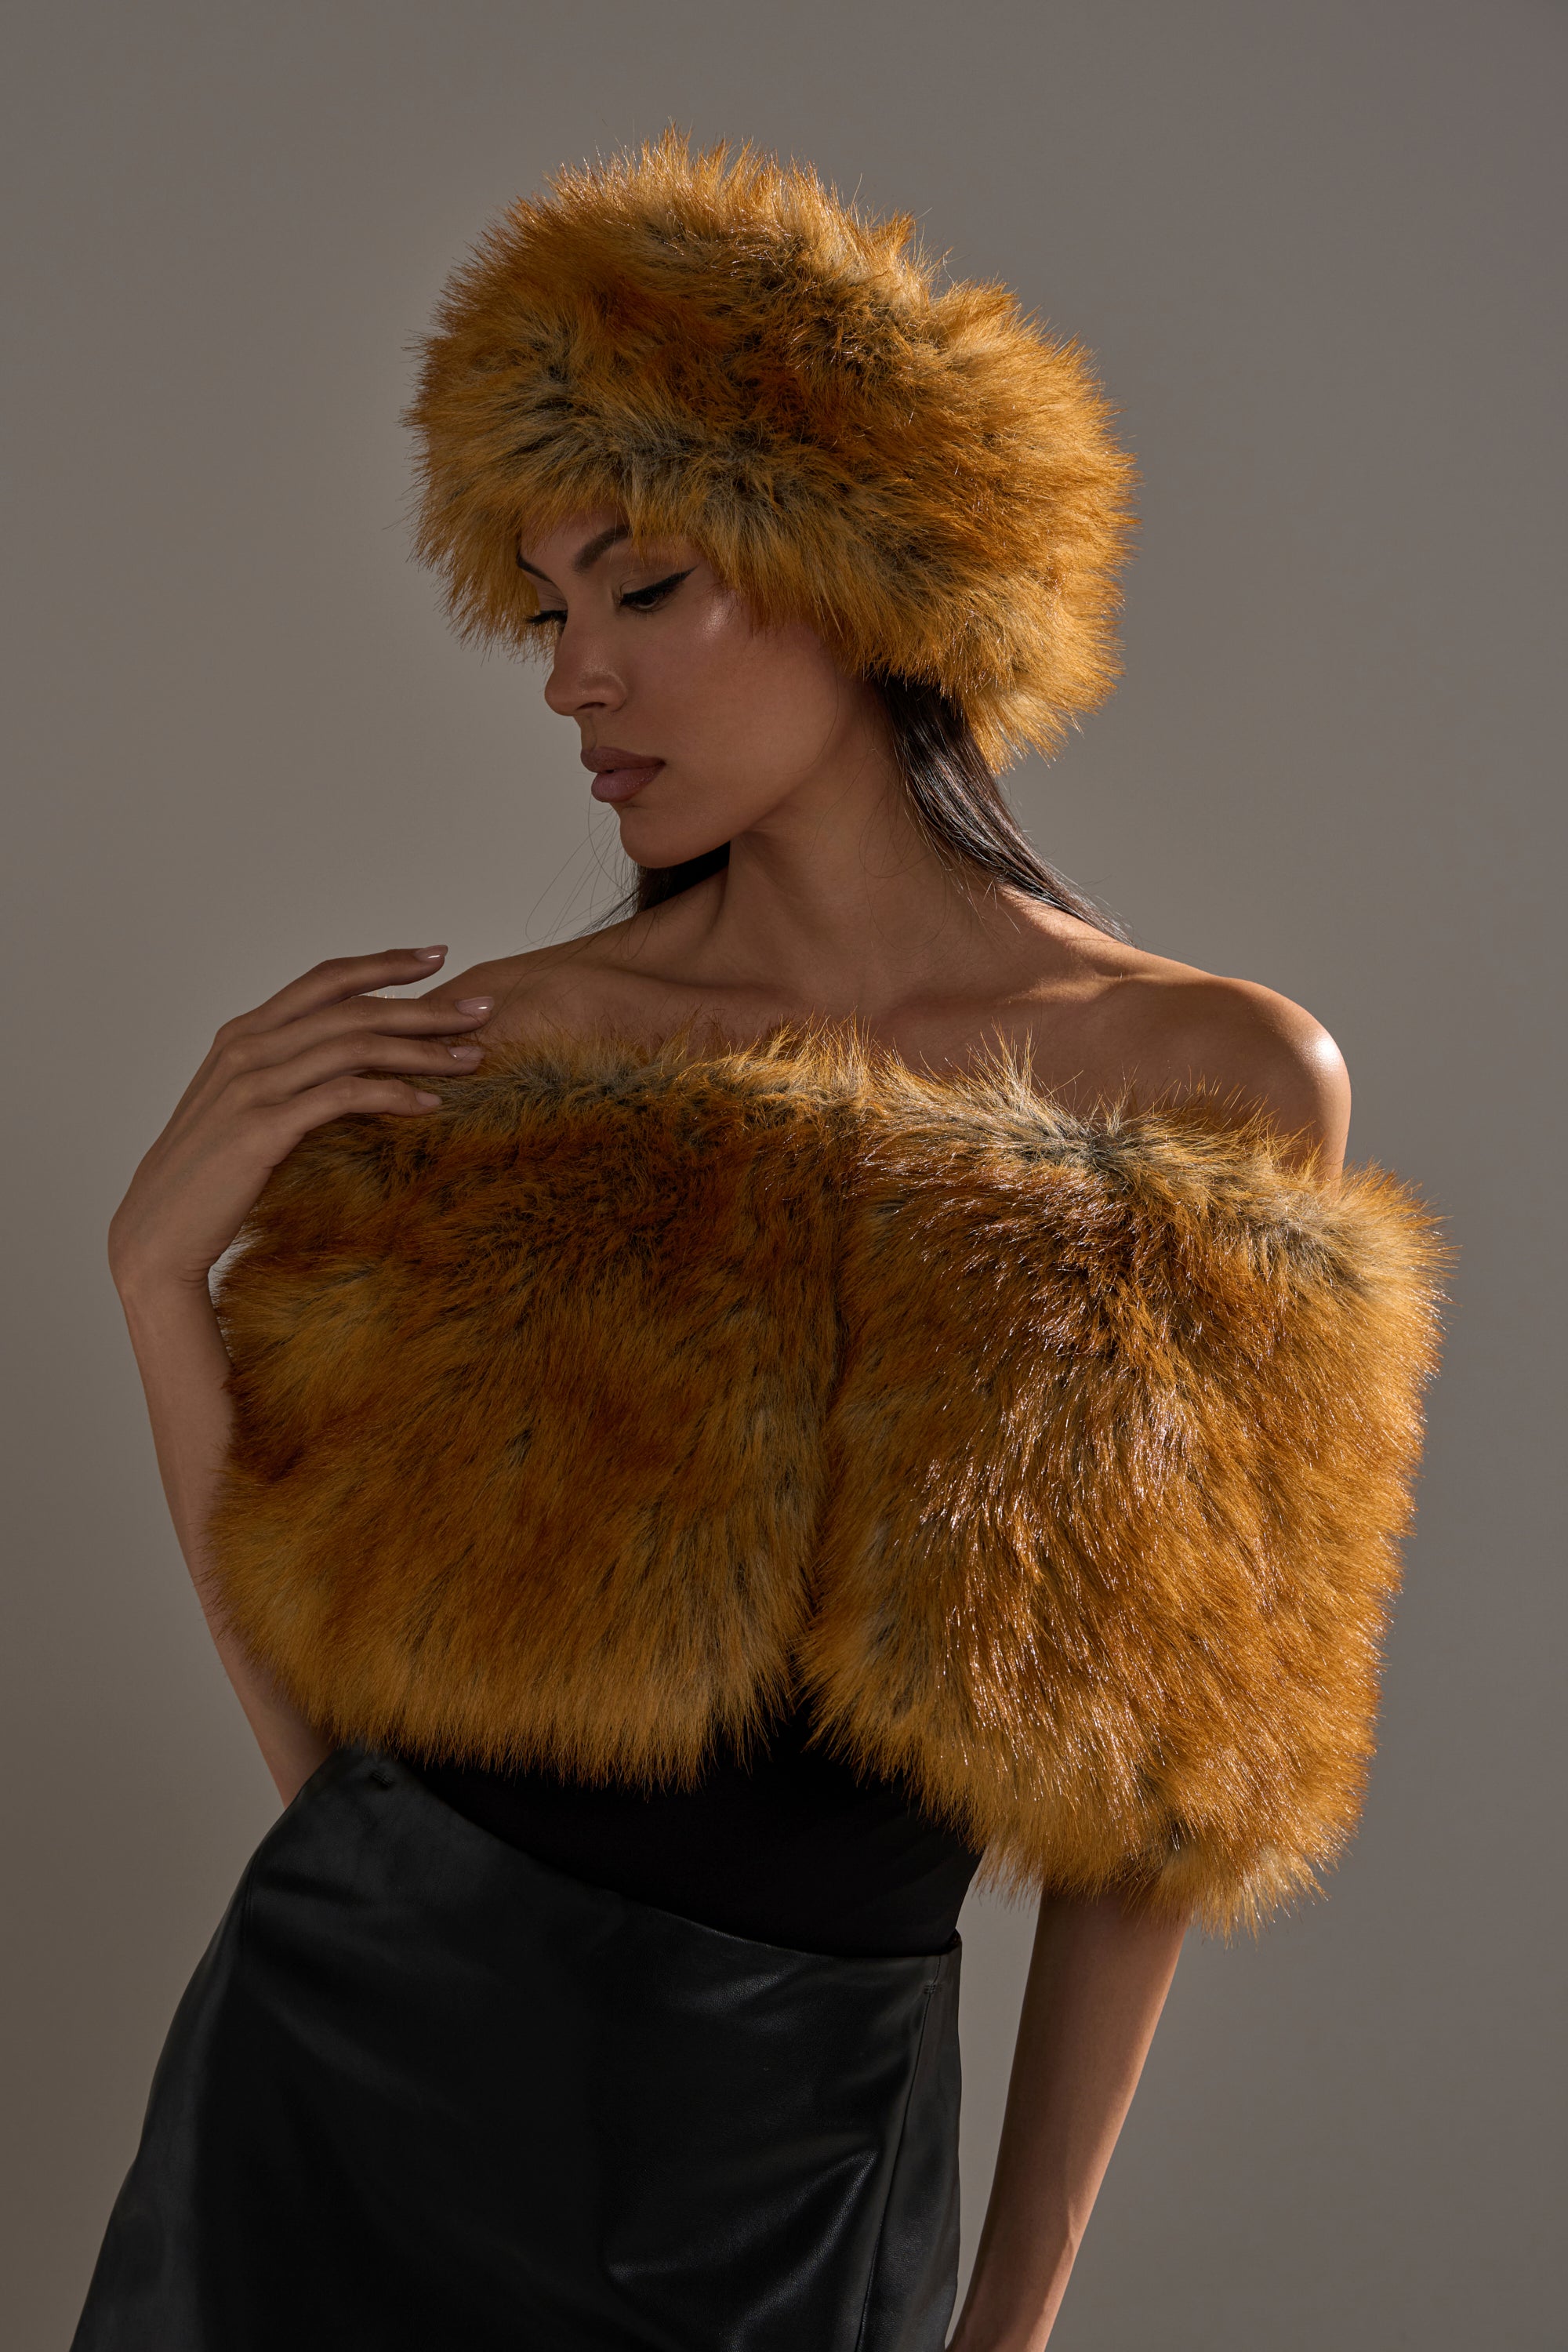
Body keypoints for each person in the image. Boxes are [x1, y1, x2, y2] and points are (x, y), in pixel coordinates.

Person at [74, 133, 1445, 2351]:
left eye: (639, 589)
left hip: (793, 2143)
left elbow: (1161, 1816)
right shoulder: (514, 1050)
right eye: (545, 610)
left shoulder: (1213, 1089)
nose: (569, 680)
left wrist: (1007, 2324)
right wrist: (154, 1289)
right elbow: (356, 1716)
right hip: (341, 2084)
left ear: (856, 564)